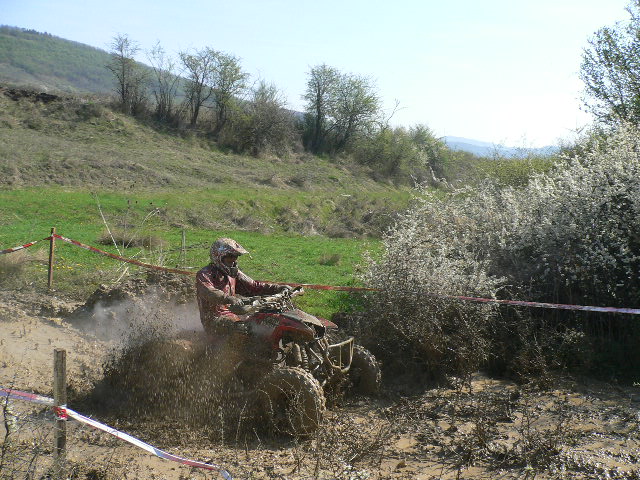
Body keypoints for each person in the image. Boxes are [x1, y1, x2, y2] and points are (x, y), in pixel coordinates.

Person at [196, 237, 292, 339]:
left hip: (234, 315)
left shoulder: (234, 273)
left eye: (236, 256)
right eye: (230, 256)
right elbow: (209, 292)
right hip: (215, 319)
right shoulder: (205, 274)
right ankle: (236, 350)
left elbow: (253, 286)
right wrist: (228, 298)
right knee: (243, 330)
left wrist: (277, 288)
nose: (234, 259)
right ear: (219, 256)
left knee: (266, 320)